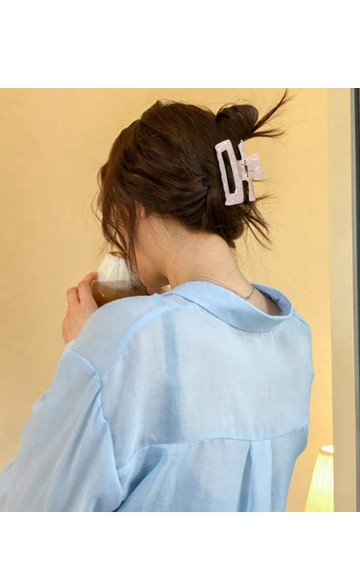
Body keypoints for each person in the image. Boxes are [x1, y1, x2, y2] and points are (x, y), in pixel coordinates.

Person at [0, 91, 315, 511]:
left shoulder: (129, 335)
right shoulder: (295, 337)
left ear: (139, 206)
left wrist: (83, 350)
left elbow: (32, 504)